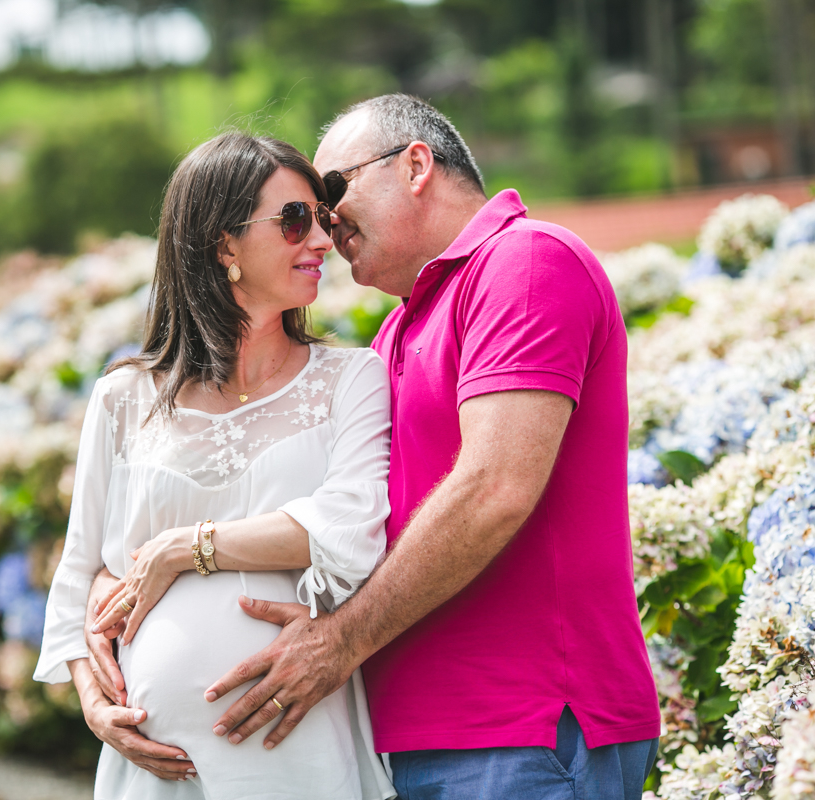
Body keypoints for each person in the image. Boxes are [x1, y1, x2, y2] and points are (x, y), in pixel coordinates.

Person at [96, 95, 663, 799]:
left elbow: (493, 489)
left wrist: (337, 642)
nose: (325, 227)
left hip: (528, 728)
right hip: (426, 738)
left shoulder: (522, 263)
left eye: (331, 192)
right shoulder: (399, 333)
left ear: (417, 165)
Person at [33, 131, 397, 800]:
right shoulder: (123, 396)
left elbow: (351, 530)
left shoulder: (353, 378)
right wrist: (95, 704)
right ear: (222, 243)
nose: (321, 240)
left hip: (299, 752)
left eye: (323, 217)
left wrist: (184, 548)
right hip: (153, 771)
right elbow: (81, 572)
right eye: (294, 220)